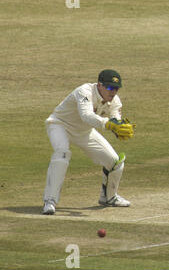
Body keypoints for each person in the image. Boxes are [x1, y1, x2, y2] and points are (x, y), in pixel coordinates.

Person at [42, 69, 135, 215]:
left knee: (114, 161)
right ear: (99, 85)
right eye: (110, 87)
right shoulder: (84, 91)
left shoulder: (115, 101)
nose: (113, 91)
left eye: (116, 88)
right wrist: (108, 124)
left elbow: (115, 120)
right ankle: (50, 201)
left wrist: (119, 128)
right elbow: (86, 116)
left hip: (84, 132)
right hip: (60, 124)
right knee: (63, 153)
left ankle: (109, 197)